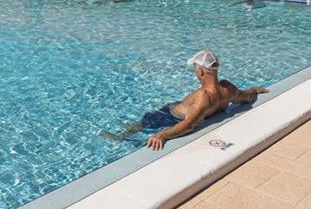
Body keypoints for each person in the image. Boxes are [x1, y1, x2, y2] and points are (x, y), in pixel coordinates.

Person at [101, 50, 269, 150]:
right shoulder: (228, 88)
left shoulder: (203, 96)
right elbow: (245, 98)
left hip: (170, 116)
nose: (195, 72)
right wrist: (254, 90)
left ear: (201, 72)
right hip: (184, 109)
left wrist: (162, 135)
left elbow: (189, 125)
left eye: (195, 69)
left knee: (143, 122)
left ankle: (120, 137)